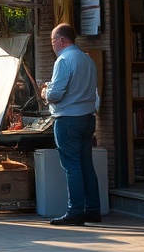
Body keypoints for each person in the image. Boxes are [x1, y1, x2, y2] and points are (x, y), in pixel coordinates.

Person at [40, 22, 100, 226]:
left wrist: (45, 92)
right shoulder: (87, 59)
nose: (52, 46)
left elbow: (56, 95)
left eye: (52, 41)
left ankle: (75, 212)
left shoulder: (64, 60)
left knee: (72, 167)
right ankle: (92, 209)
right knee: (86, 165)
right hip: (88, 117)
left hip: (68, 119)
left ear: (62, 40)